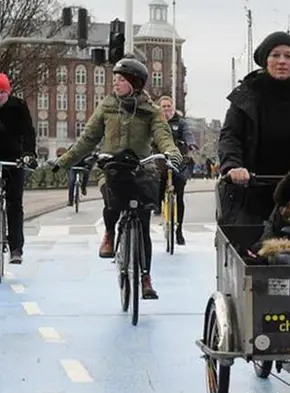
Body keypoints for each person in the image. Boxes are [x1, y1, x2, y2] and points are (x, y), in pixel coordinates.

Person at [53, 57, 182, 299]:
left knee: (143, 225)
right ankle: (109, 234)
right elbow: (88, 138)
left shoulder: (151, 111)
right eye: (114, 79)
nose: (115, 84)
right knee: (111, 199)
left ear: (135, 82)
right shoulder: (107, 106)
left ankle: (145, 277)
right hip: (110, 166)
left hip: (140, 169)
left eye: (121, 80)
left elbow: (163, 135)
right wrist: (64, 162)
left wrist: (171, 153)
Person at [217, 31, 290, 225]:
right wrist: (233, 166)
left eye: (288, 56)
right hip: (253, 187)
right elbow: (231, 136)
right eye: (276, 55)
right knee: (248, 239)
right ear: (266, 60)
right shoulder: (246, 96)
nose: (282, 61)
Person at [0, 73, 36, 264]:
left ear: (8, 92)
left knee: (14, 203)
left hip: (14, 159)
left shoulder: (18, 107)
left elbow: (28, 133)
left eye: (1, 93)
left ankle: (16, 248)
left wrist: (28, 154)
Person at [155, 95, 196, 244]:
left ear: (172, 108)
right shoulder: (156, 122)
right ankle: (158, 204)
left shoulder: (180, 123)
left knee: (179, 193)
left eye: (168, 106)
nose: (166, 109)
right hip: (161, 159)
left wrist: (190, 143)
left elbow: (188, 134)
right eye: (163, 107)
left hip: (178, 161)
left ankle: (178, 230)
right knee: (158, 179)